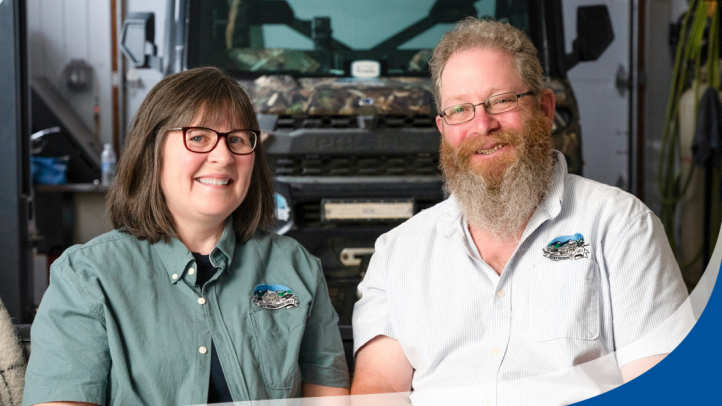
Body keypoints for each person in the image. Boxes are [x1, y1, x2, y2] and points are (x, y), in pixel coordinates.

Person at [351, 18, 689, 397]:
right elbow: (378, 386)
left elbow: (660, 384)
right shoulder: (398, 251)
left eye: (501, 100)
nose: (482, 125)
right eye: (460, 109)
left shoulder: (622, 226)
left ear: (545, 109)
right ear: (443, 129)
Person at [23, 67, 350, 406]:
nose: (223, 157)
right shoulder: (87, 276)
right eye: (198, 137)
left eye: (237, 139)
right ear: (153, 150)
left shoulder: (295, 265)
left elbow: (327, 392)